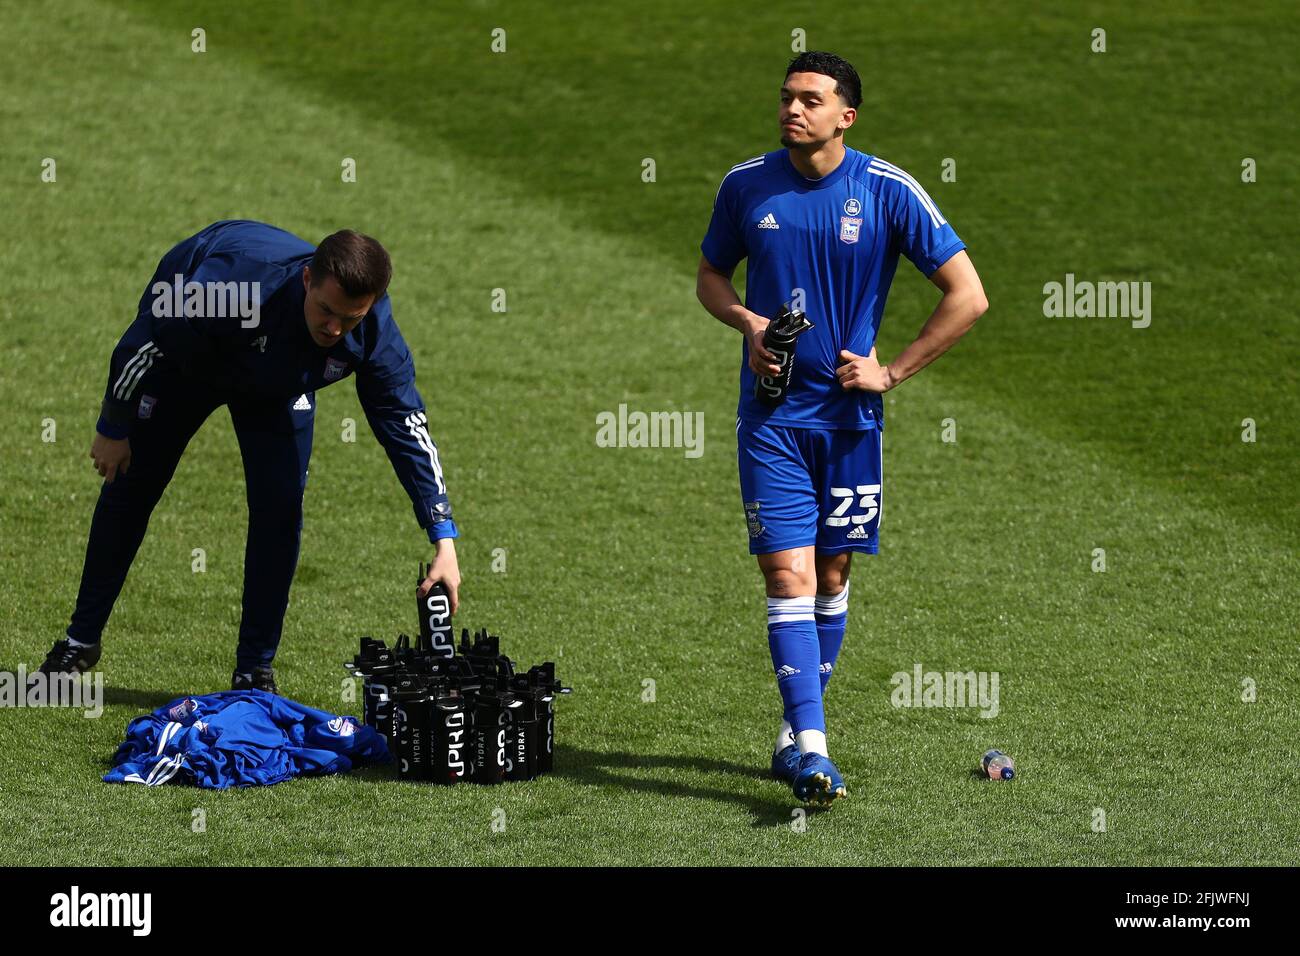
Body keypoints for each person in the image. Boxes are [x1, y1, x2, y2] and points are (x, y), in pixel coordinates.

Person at [696, 52, 989, 804]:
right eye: (787, 97)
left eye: (811, 100)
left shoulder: (887, 189)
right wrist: (748, 322)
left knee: (830, 576)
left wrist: (892, 372)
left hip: (852, 422)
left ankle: (796, 735)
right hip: (771, 420)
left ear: (845, 116)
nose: (793, 110)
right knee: (786, 575)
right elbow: (710, 277)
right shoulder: (745, 184)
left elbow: (968, 295)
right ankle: (816, 750)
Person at [39, 220, 462, 692]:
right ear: (307, 280)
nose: (334, 328)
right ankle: (80, 643)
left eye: (350, 319)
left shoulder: (374, 329)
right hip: (192, 361)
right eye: (325, 310)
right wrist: (114, 427)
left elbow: (405, 424)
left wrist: (442, 536)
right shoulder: (227, 290)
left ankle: (254, 671)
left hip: (278, 385)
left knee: (280, 512)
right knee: (131, 484)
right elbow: (144, 344)